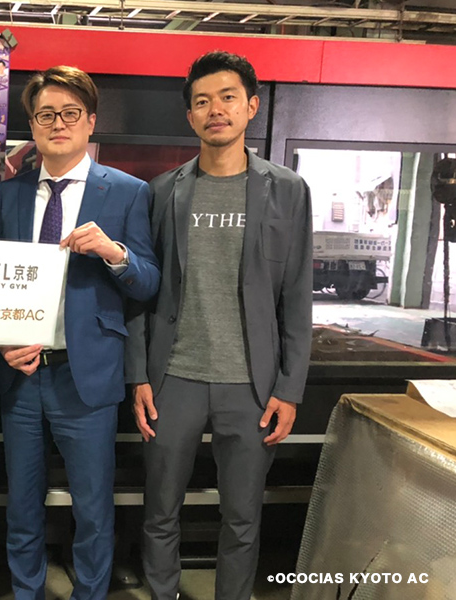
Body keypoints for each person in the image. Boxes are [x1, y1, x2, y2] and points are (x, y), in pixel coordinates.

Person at [126, 50, 312, 600]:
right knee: (160, 510)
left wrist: (290, 388)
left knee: (242, 518)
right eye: (203, 101)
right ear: (190, 116)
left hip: (252, 385)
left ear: (251, 106)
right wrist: (138, 375)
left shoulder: (288, 190)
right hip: (173, 379)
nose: (216, 110)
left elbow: (297, 295)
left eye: (228, 97)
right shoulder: (162, 191)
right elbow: (141, 287)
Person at [0, 65, 159, 600]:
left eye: (69, 113)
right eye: (45, 115)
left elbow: (149, 282)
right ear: (33, 126)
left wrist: (114, 252)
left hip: (87, 378)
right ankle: (26, 593)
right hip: (21, 377)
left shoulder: (127, 192)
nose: (57, 124)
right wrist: (0, 340)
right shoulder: (11, 195)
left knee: (92, 509)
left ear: (90, 121)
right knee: (22, 507)